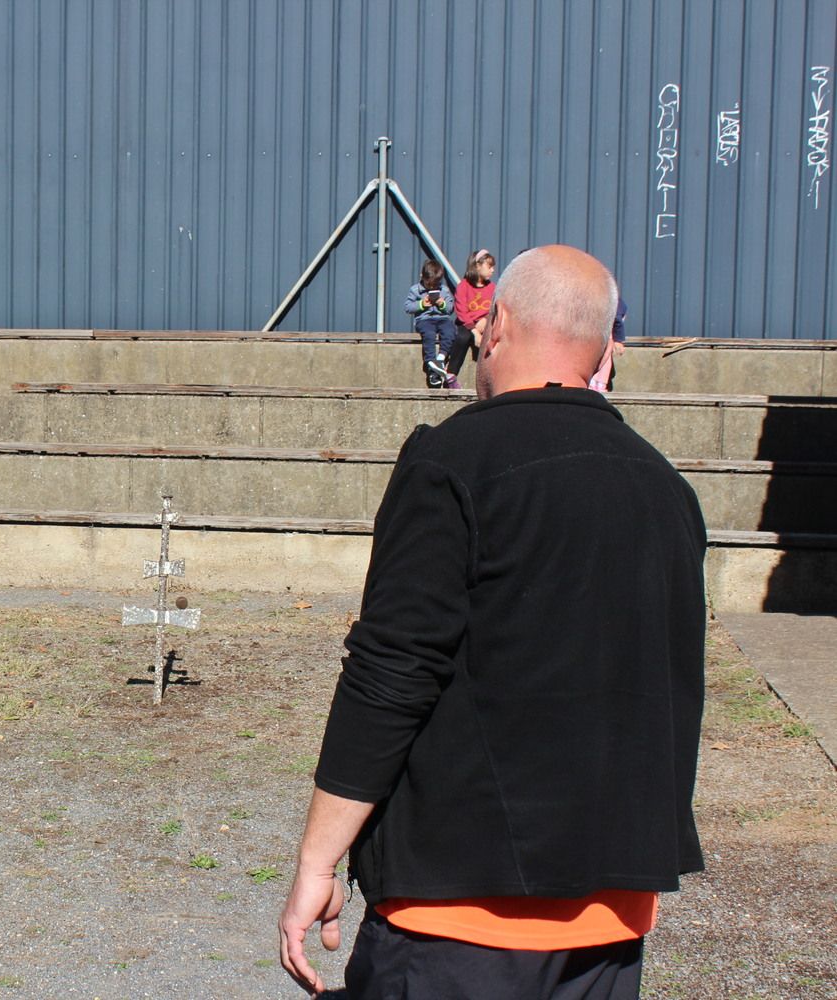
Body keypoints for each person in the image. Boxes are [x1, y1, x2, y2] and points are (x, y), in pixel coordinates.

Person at [278, 246, 706, 999]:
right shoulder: (664, 490)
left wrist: (317, 862)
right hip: (609, 921)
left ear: (495, 324)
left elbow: (391, 670)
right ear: (606, 349)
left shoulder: (453, 463)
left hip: (457, 916)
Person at [442, 248, 497, 387]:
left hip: (485, 323)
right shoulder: (463, 286)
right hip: (467, 324)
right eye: (489, 266)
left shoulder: (493, 288)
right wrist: (474, 331)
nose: (493, 270)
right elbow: (461, 311)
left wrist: (485, 319)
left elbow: (494, 308)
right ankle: (451, 374)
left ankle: (493, 377)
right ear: (477, 266)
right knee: (462, 337)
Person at [404, 260, 455, 388]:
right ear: (422, 276)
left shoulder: (444, 290)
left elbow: (450, 308)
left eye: (435, 284)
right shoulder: (415, 290)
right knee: (429, 334)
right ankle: (431, 363)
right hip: (424, 320)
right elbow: (408, 307)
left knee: (450, 331)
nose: (432, 288)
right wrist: (421, 305)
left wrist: (442, 304)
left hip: (442, 318)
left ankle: (440, 359)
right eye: (429, 284)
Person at [590, 297, 630, 392]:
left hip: (602, 333)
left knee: (602, 359)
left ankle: (597, 386)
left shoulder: (612, 301)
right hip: (597, 333)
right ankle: (596, 385)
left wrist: (618, 340)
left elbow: (617, 319)